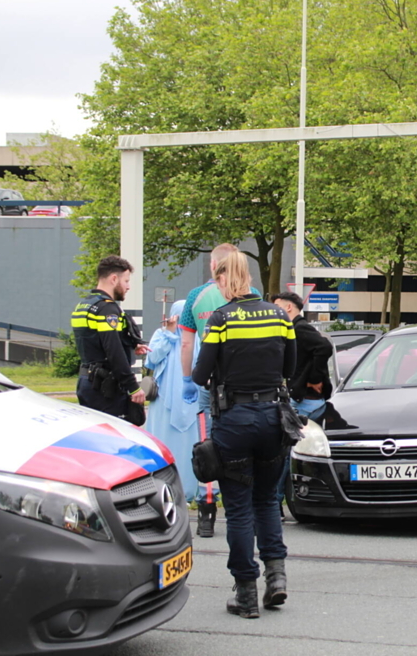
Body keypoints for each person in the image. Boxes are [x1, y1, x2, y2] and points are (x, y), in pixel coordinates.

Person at [191, 252, 297, 619]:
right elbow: (290, 367)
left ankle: (246, 594)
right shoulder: (280, 315)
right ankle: (277, 577)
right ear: (249, 276)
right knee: (267, 500)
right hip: (273, 418)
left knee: (237, 508)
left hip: (234, 420)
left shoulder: (221, 318)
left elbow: (199, 375)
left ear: (222, 279)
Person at [180, 243, 261, 536]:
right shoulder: (257, 297)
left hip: (210, 382)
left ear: (214, 266)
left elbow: (187, 343)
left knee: (209, 444)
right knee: (246, 442)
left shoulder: (194, 297)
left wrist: (187, 378)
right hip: (246, 383)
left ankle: (206, 510)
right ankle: (247, 505)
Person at [71, 255, 148, 420]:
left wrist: (130, 345)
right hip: (105, 387)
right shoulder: (107, 309)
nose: (128, 287)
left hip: (87, 380)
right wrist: (133, 387)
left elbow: (94, 341)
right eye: (126, 281)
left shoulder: (84, 305)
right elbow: (113, 351)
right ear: (114, 279)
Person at [144, 300, 201, 502]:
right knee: (163, 441)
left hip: (192, 400)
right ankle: (162, 487)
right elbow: (151, 359)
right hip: (164, 402)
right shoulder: (162, 335)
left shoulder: (199, 337)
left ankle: (190, 489)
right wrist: (168, 333)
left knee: (191, 444)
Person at [270, 292, 333, 421]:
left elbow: (324, 347)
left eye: (276, 307)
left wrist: (314, 379)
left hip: (306, 401)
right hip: (302, 399)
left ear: (288, 307)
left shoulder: (300, 328)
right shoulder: (293, 328)